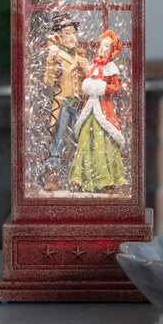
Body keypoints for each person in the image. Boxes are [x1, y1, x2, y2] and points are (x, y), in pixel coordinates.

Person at [68, 29, 127, 193]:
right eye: (101, 44)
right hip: (89, 108)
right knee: (85, 141)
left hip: (103, 108)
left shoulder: (111, 68)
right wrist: (87, 85)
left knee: (103, 141)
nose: (102, 48)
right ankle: (81, 178)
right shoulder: (92, 66)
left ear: (112, 50)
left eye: (106, 46)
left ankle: (107, 180)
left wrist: (100, 87)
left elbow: (115, 87)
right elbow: (85, 81)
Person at [42, 14, 88, 191]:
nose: (71, 37)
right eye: (67, 33)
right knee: (59, 137)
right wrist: (51, 59)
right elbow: (48, 81)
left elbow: (89, 80)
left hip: (79, 102)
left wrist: (87, 68)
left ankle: (77, 176)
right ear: (59, 37)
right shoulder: (57, 55)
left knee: (79, 138)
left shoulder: (80, 55)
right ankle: (53, 173)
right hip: (64, 102)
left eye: (73, 33)